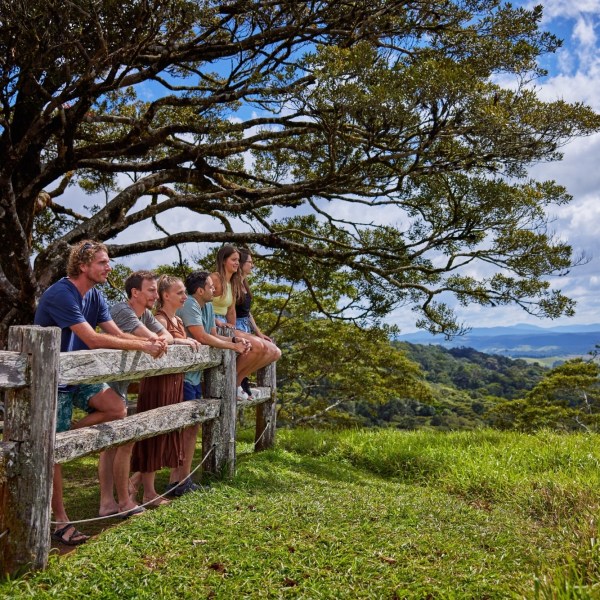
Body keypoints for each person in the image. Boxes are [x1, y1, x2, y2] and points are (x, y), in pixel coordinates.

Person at [34, 240, 167, 545]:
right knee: (52, 453)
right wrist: (145, 345)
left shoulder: (95, 295)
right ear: (83, 266)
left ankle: (65, 437)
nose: (109, 267)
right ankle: (60, 521)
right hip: (51, 381)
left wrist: (146, 344)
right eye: (102, 262)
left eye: (108, 262)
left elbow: (117, 334)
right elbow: (93, 339)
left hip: (78, 377)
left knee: (116, 408)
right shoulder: (62, 293)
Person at [167, 271, 249, 495]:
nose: (216, 290)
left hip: (194, 377)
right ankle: (172, 480)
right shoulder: (191, 304)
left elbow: (213, 333)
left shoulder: (209, 306)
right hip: (181, 376)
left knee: (191, 428)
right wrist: (233, 347)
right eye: (211, 287)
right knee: (179, 429)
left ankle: (181, 479)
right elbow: (201, 337)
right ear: (200, 290)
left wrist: (233, 339)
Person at [129, 275, 201, 504]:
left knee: (166, 434)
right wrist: (181, 342)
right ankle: (144, 489)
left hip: (174, 383)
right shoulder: (158, 317)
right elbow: (162, 342)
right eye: (179, 293)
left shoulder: (178, 321)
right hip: (158, 384)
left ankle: (142, 486)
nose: (184, 296)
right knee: (153, 434)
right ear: (165, 295)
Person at [211, 245, 279, 400]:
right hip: (212, 322)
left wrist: (235, 329)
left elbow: (231, 311)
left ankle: (236, 383)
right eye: (234, 260)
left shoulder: (233, 282)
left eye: (238, 260)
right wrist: (218, 322)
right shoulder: (214, 278)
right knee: (258, 346)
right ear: (223, 261)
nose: (237, 263)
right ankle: (232, 384)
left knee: (269, 349)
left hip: (226, 325)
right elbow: (202, 305)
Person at [234, 248, 281, 398]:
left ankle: (241, 381)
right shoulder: (232, 284)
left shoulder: (244, 283)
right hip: (234, 327)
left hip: (245, 326)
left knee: (275, 352)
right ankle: (234, 383)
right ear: (241, 264)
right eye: (250, 262)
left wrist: (258, 332)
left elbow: (248, 313)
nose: (252, 265)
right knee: (257, 348)